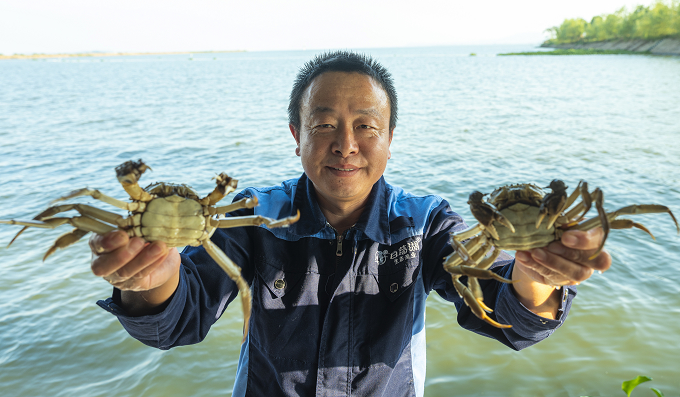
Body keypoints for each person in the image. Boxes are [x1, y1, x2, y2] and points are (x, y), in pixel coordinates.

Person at [91, 51, 612, 397]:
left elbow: (503, 309)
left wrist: (537, 277)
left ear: (390, 138)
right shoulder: (256, 216)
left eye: (366, 126)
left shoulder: (427, 222)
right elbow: (181, 317)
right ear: (295, 134)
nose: (346, 145)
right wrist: (152, 279)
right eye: (323, 126)